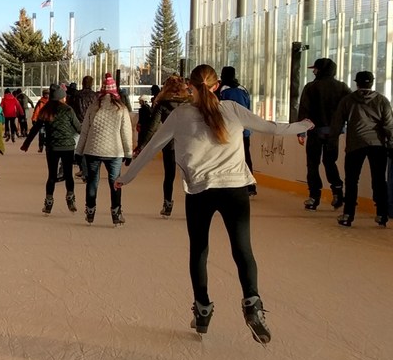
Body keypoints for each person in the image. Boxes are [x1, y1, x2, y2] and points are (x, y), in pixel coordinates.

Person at [119, 64, 311, 343]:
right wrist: (304, 126)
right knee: (243, 249)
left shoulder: (180, 115)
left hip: (200, 192)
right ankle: (252, 305)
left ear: (190, 86)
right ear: (217, 85)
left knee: (199, 250)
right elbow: (272, 128)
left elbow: (152, 147)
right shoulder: (232, 109)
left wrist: (126, 177)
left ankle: (203, 310)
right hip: (235, 191)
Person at [330, 71, 392, 227]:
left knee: (351, 181)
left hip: (355, 145)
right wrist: (391, 143)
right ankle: (382, 215)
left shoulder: (348, 100)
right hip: (377, 145)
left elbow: (337, 123)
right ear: (371, 83)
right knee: (378, 180)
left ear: (357, 83)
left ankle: (348, 214)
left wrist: (333, 141)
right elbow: (389, 125)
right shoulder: (382, 101)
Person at [75, 75, 133, 225]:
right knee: (115, 182)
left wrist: (78, 151)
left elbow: (85, 131)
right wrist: (128, 153)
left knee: (92, 181)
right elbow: (126, 133)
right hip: (115, 152)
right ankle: (116, 213)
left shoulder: (94, 106)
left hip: (93, 149)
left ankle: (90, 211)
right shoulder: (121, 108)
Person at [296, 57, 352, 210]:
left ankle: (314, 196)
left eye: (315, 69)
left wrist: (301, 132)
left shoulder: (311, 87)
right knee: (330, 162)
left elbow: (304, 110)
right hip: (333, 133)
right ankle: (337, 190)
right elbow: (350, 107)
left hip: (315, 131)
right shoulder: (342, 87)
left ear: (320, 70)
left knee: (313, 164)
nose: (313, 71)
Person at [21, 85, 79, 212]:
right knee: (68, 174)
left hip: (52, 147)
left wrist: (26, 143)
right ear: (61, 97)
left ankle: (48, 202)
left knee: (52, 175)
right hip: (68, 147)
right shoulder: (68, 110)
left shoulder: (46, 110)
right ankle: (70, 198)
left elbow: (35, 128)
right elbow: (78, 128)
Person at [147, 76, 190, 217]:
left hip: (170, 143)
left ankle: (167, 204)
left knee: (169, 175)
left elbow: (152, 126)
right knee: (191, 175)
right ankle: (194, 204)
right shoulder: (190, 103)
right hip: (188, 144)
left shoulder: (163, 104)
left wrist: (142, 145)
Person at [218, 66, 255, 195]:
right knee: (246, 156)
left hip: (229, 131)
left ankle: (228, 184)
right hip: (244, 130)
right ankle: (251, 186)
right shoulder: (243, 89)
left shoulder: (222, 90)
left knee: (228, 157)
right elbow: (248, 108)